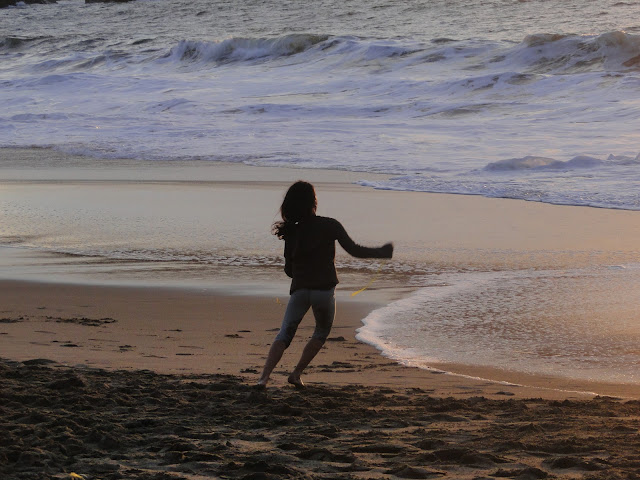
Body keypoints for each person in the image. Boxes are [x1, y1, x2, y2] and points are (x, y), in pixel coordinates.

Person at [256, 181, 393, 389]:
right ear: (314, 202)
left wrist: (302, 268)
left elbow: (288, 270)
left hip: (300, 291)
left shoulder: (291, 232)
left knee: (285, 334)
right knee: (320, 332)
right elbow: (354, 250)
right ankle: (296, 373)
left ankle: (263, 378)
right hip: (324, 291)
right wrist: (381, 252)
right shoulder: (330, 225)